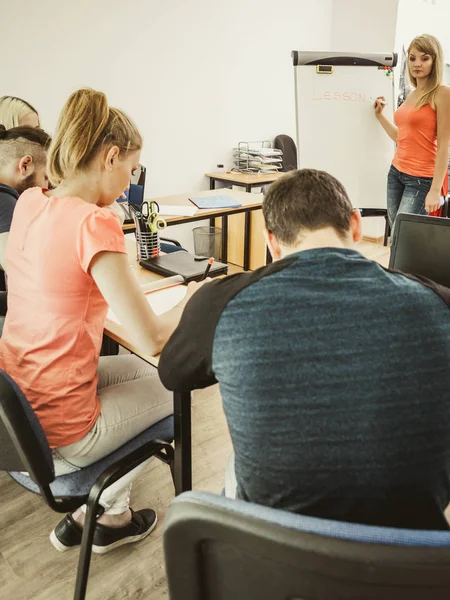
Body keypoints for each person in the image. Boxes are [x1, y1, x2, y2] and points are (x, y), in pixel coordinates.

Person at [159, 168, 450, 530]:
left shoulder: (222, 301)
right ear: (356, 225)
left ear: (272, 242)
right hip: (413, 567)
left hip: (273, 559)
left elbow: (173, 373)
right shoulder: (437, 302)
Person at [0, 88, 204, 553]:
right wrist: (195, 299)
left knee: (143, 376)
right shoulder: (95, 223)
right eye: (132, 169)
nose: (132, 181)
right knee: (177, 387)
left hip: (22, 405)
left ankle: (111, 514)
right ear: (110, 157)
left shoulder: (31, 202)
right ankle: (98, 508)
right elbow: (152, 338)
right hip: (63, 431)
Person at [374, 34, 450, 233]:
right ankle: (393, 265)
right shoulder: (412, 94)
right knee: (396, 236)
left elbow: (444, 146)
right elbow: (402, 138)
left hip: (421, 179)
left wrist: (435, 190)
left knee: (404, 235)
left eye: (424, 58)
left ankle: (401, 266)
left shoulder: (442, 93)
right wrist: (380, 116)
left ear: (435, 61)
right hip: (396, 173)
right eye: (412, 58)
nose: (417, 63)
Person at [0, 125, 51, 268]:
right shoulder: (5, 200)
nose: (46, 188)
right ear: (25, 166)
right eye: (45, 177)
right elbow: (16, 267)